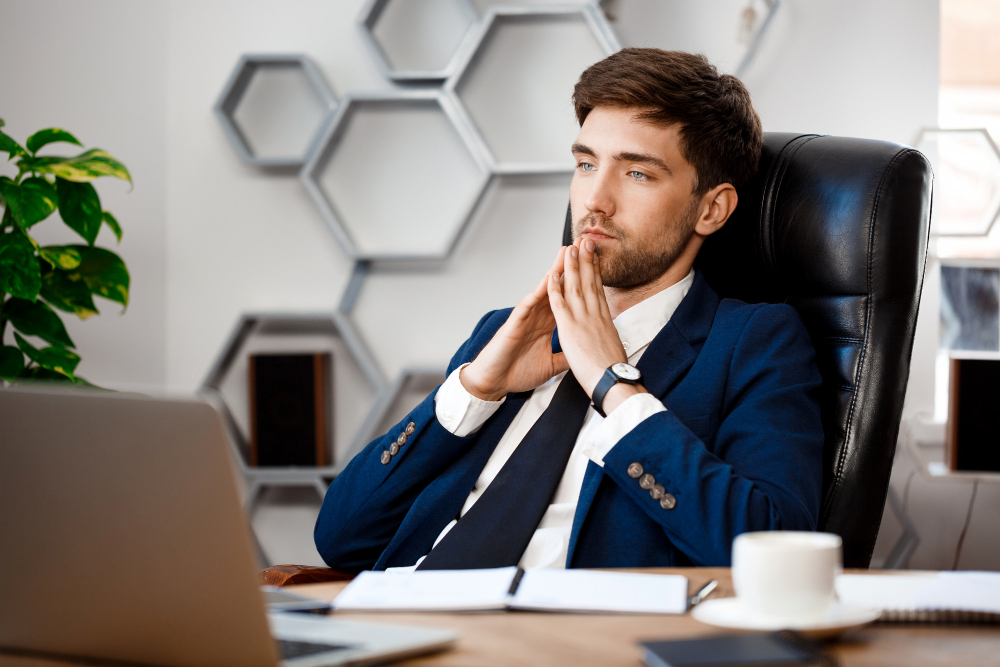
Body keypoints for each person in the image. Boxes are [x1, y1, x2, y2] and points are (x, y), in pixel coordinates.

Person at [314, 49, 824, 571]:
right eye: (585, 164)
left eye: (637, 174)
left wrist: (613, 384)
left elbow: (770, 549)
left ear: (711, 208)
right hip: (403, 619)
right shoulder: (503, 334)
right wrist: (474, 389)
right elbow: (341, 538)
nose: (594, 200)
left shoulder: (753, 342)